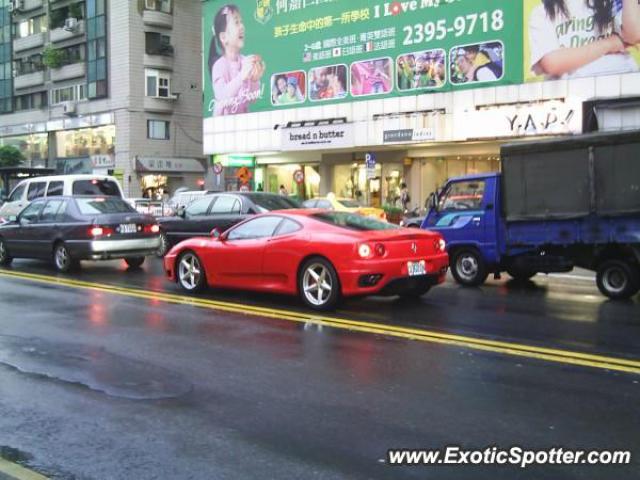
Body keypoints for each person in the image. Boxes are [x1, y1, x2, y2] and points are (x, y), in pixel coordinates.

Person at [529, 0, 640, 79]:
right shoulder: (542, 12)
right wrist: (609, 44)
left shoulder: (611, 3)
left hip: (623, 85)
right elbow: (551, 63)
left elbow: (634, 35)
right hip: (576, 96)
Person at [208, 4, 265, 116]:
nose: (242, 26)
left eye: (241, 22)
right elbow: (222, 96)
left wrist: (254, 80)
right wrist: (241, 76)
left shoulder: (245, 61)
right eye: (236, 22)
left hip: (242, 123)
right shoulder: (219, 66)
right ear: (224, 37)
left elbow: (252, 99)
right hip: (223, 126)